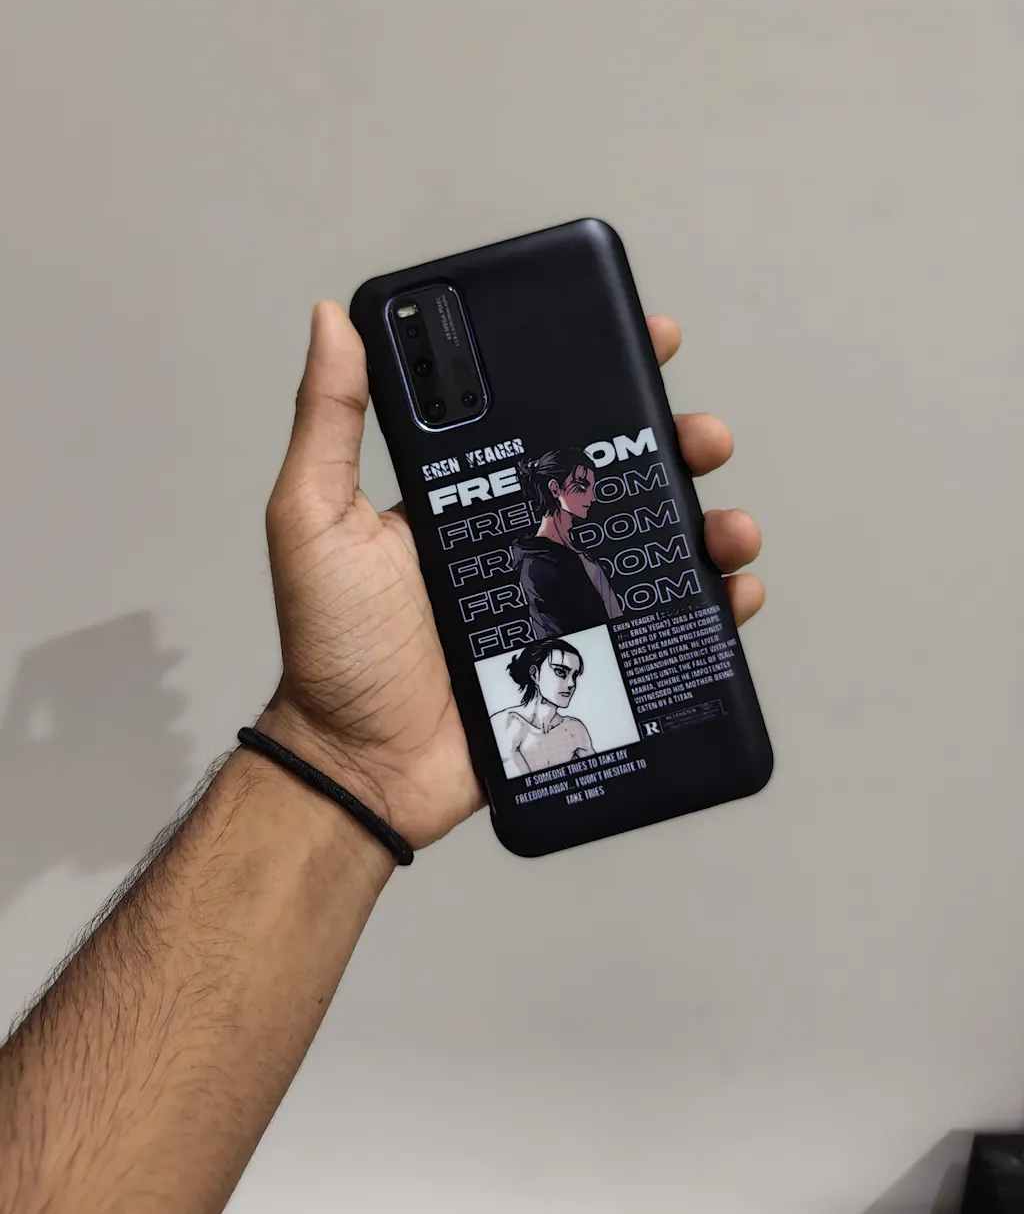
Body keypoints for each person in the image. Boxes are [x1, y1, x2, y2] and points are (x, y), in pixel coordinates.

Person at [0, 301, 764, 1214]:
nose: (596, 491)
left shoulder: (578, 560)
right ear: (557, 489)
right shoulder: (537, 565)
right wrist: (341, 754)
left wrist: (339, 762)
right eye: (583, 481)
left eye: (599, 481)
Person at [513, 448, 623, 638]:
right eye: (581, 487)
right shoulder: (538, 563)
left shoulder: (571, 549)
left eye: (592, 488)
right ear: (555, 488)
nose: (592, 497)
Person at [490, 637, 592, 777]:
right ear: (535, 674)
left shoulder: (574, 728)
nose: (571, 684)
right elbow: (522, 784)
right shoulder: (507, 723)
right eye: (561, 672)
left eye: (574, 676)